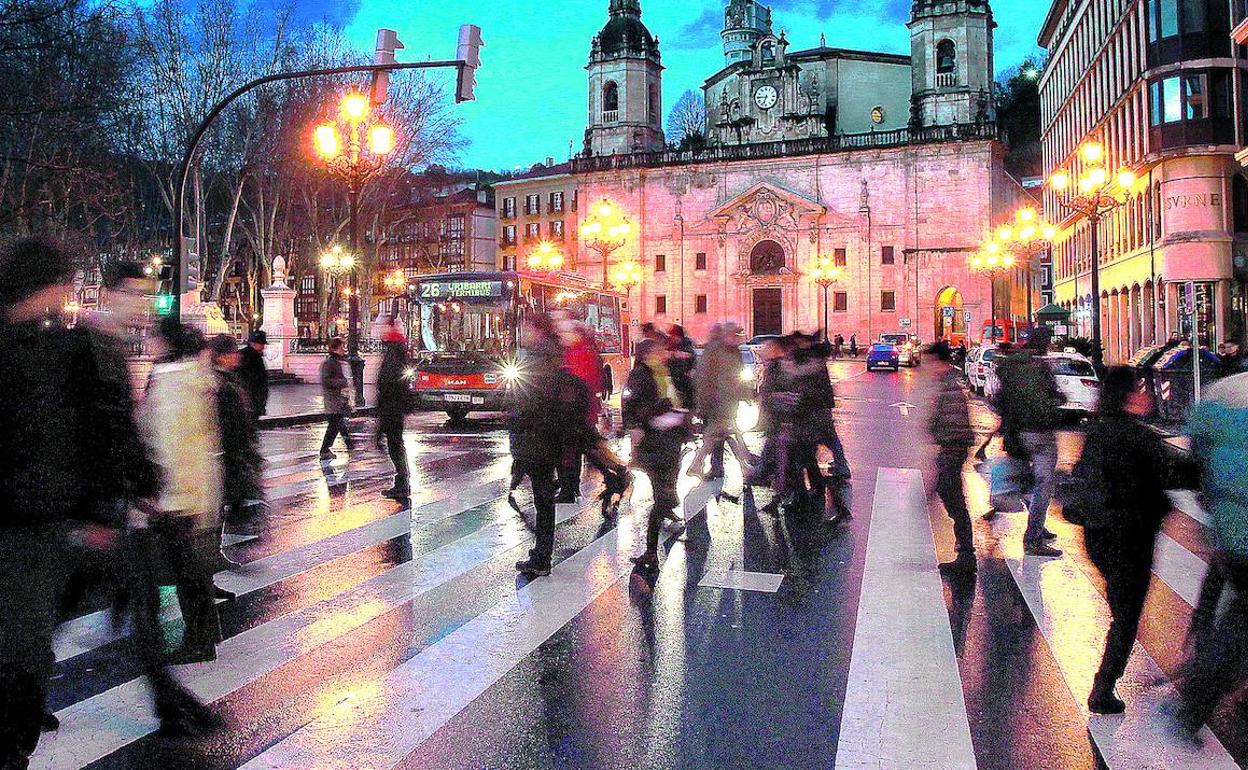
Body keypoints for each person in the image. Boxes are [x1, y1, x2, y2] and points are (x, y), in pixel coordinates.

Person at [0, 239, 122, 766]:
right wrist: (95, 511)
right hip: (30, 529)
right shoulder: (53, 353)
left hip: (32, 525)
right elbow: (79, 438)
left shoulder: (46, 348)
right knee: (22, 652)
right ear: (47, 287)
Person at [1072, 367, 1188, 713]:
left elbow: (1083, 476)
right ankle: (1103, 688)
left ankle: (1106, 682)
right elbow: (1175, 472)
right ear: (1127, 396)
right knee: (1126, 617)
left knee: (1122, 607)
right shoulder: (1138, 437)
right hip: (1130, 537)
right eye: (1140, 388)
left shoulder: (1098, 430)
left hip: (1098, 535)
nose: (1147, 393)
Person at [139, 317, 226, 666]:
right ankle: (206, 634)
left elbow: (171, 443)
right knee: (191, 572)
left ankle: (198, 640)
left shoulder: (172, 382)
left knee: (182, 572)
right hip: (196, 490)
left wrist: (163, 495)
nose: (149, 344)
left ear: (166, 343)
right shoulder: (196, 377)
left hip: (179, 495)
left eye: (153, 338)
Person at [1174, 369, 1248, 734]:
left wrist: (1211, 489)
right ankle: (1198, 695)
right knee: (1240, 621)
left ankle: (1203, 642)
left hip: (1227, 525)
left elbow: (1194, 453)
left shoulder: (1221, 393)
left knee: (1229, 593)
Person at [993, 326, 1064, 557]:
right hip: (1039, 432)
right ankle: (1033, 538)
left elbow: (1000, 398)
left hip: (1017, 433)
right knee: (1044, 483)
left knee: (1026, 478)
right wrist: (1057, 404)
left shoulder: (1012, 365)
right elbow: (1053, 396)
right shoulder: (1039, 366)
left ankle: (1036, 524)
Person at [510, 313, 570, 577]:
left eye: (526, 328)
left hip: (535, 438)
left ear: (538, 330)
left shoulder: (538, 359)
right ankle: (541, 553)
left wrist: (515, 420)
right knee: (543, 498)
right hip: (546, 437)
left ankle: (542, 557)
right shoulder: (551, 355)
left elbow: (526, 403)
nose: (522, 333)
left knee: (543, 499)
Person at [624, 339, 688, 572]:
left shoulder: (662, 371)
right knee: (661, 496)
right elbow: (635, 408)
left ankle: (652, 549)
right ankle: (651, 551)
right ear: (648, 354)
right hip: (655, 444)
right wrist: (662, 409)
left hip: (668, 440)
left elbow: (676, 395)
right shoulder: (641, 375)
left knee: (663, 494)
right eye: (659, 350)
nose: (664, 353)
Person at [207, 334, 262, 596]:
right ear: (222, 356)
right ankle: (206, 573)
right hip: (222, 458)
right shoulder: (215, 383)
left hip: (231, 456)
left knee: (219, 513)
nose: (237, 356)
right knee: (213, 516)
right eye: (232, 352)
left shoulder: (228, 379)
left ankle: (212, 562)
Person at [929, 341, 977, 575]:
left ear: (940, 362)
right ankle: (965, 550)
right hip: (952, 448)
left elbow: (954, 422)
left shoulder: (949, 387)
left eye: (931, 362)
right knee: (950, 494)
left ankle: (966, 554)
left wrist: (940, 439)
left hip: (953, 449)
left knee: (954, 498)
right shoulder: (947, 383)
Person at [689, 322, 753, 480]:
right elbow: (704, 379)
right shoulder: (715, 350)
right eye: (735, 335)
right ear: (726, 334)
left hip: (728, 402)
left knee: (722, 436)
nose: (737, 338)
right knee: (729, 435)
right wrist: (702, 405)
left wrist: (746, 393)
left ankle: (698, 465)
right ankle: (744, 466)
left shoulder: (733, 351)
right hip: (717, 403)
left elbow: (737, 377)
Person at [375, 321, 414, 500]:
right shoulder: (400, 357)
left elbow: (386, 385)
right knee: (397, 444)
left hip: (391, 408)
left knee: (395, 445)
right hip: (395, 407)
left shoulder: (392, 359)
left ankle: (402, 483)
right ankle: (402, 482)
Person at [319, 337, 354, 459]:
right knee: (334, 425)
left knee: (337, 423)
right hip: (332, 399)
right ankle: (324, 450)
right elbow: (326, 381)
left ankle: (348, 444)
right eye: (342, 346)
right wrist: (343, 382)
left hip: (339, 399)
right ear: (336, 347)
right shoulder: (329, 362)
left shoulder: (338, 361)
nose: (344, 349)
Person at [237, 329, 269, 420]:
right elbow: (257, 380)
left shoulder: (246, 354)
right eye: (261, 344)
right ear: (253, 343)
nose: (263, 347)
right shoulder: (253, 357)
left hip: (249, 399)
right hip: (251, 399)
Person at [666, 324, 697, 411]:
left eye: (673, 335)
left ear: (678, 336)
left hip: (684, 381)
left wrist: (677, 355)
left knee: (686, 404)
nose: (671, 337)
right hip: (675, 381)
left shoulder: (686, 345)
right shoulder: (671, 345)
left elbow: (690, 357)